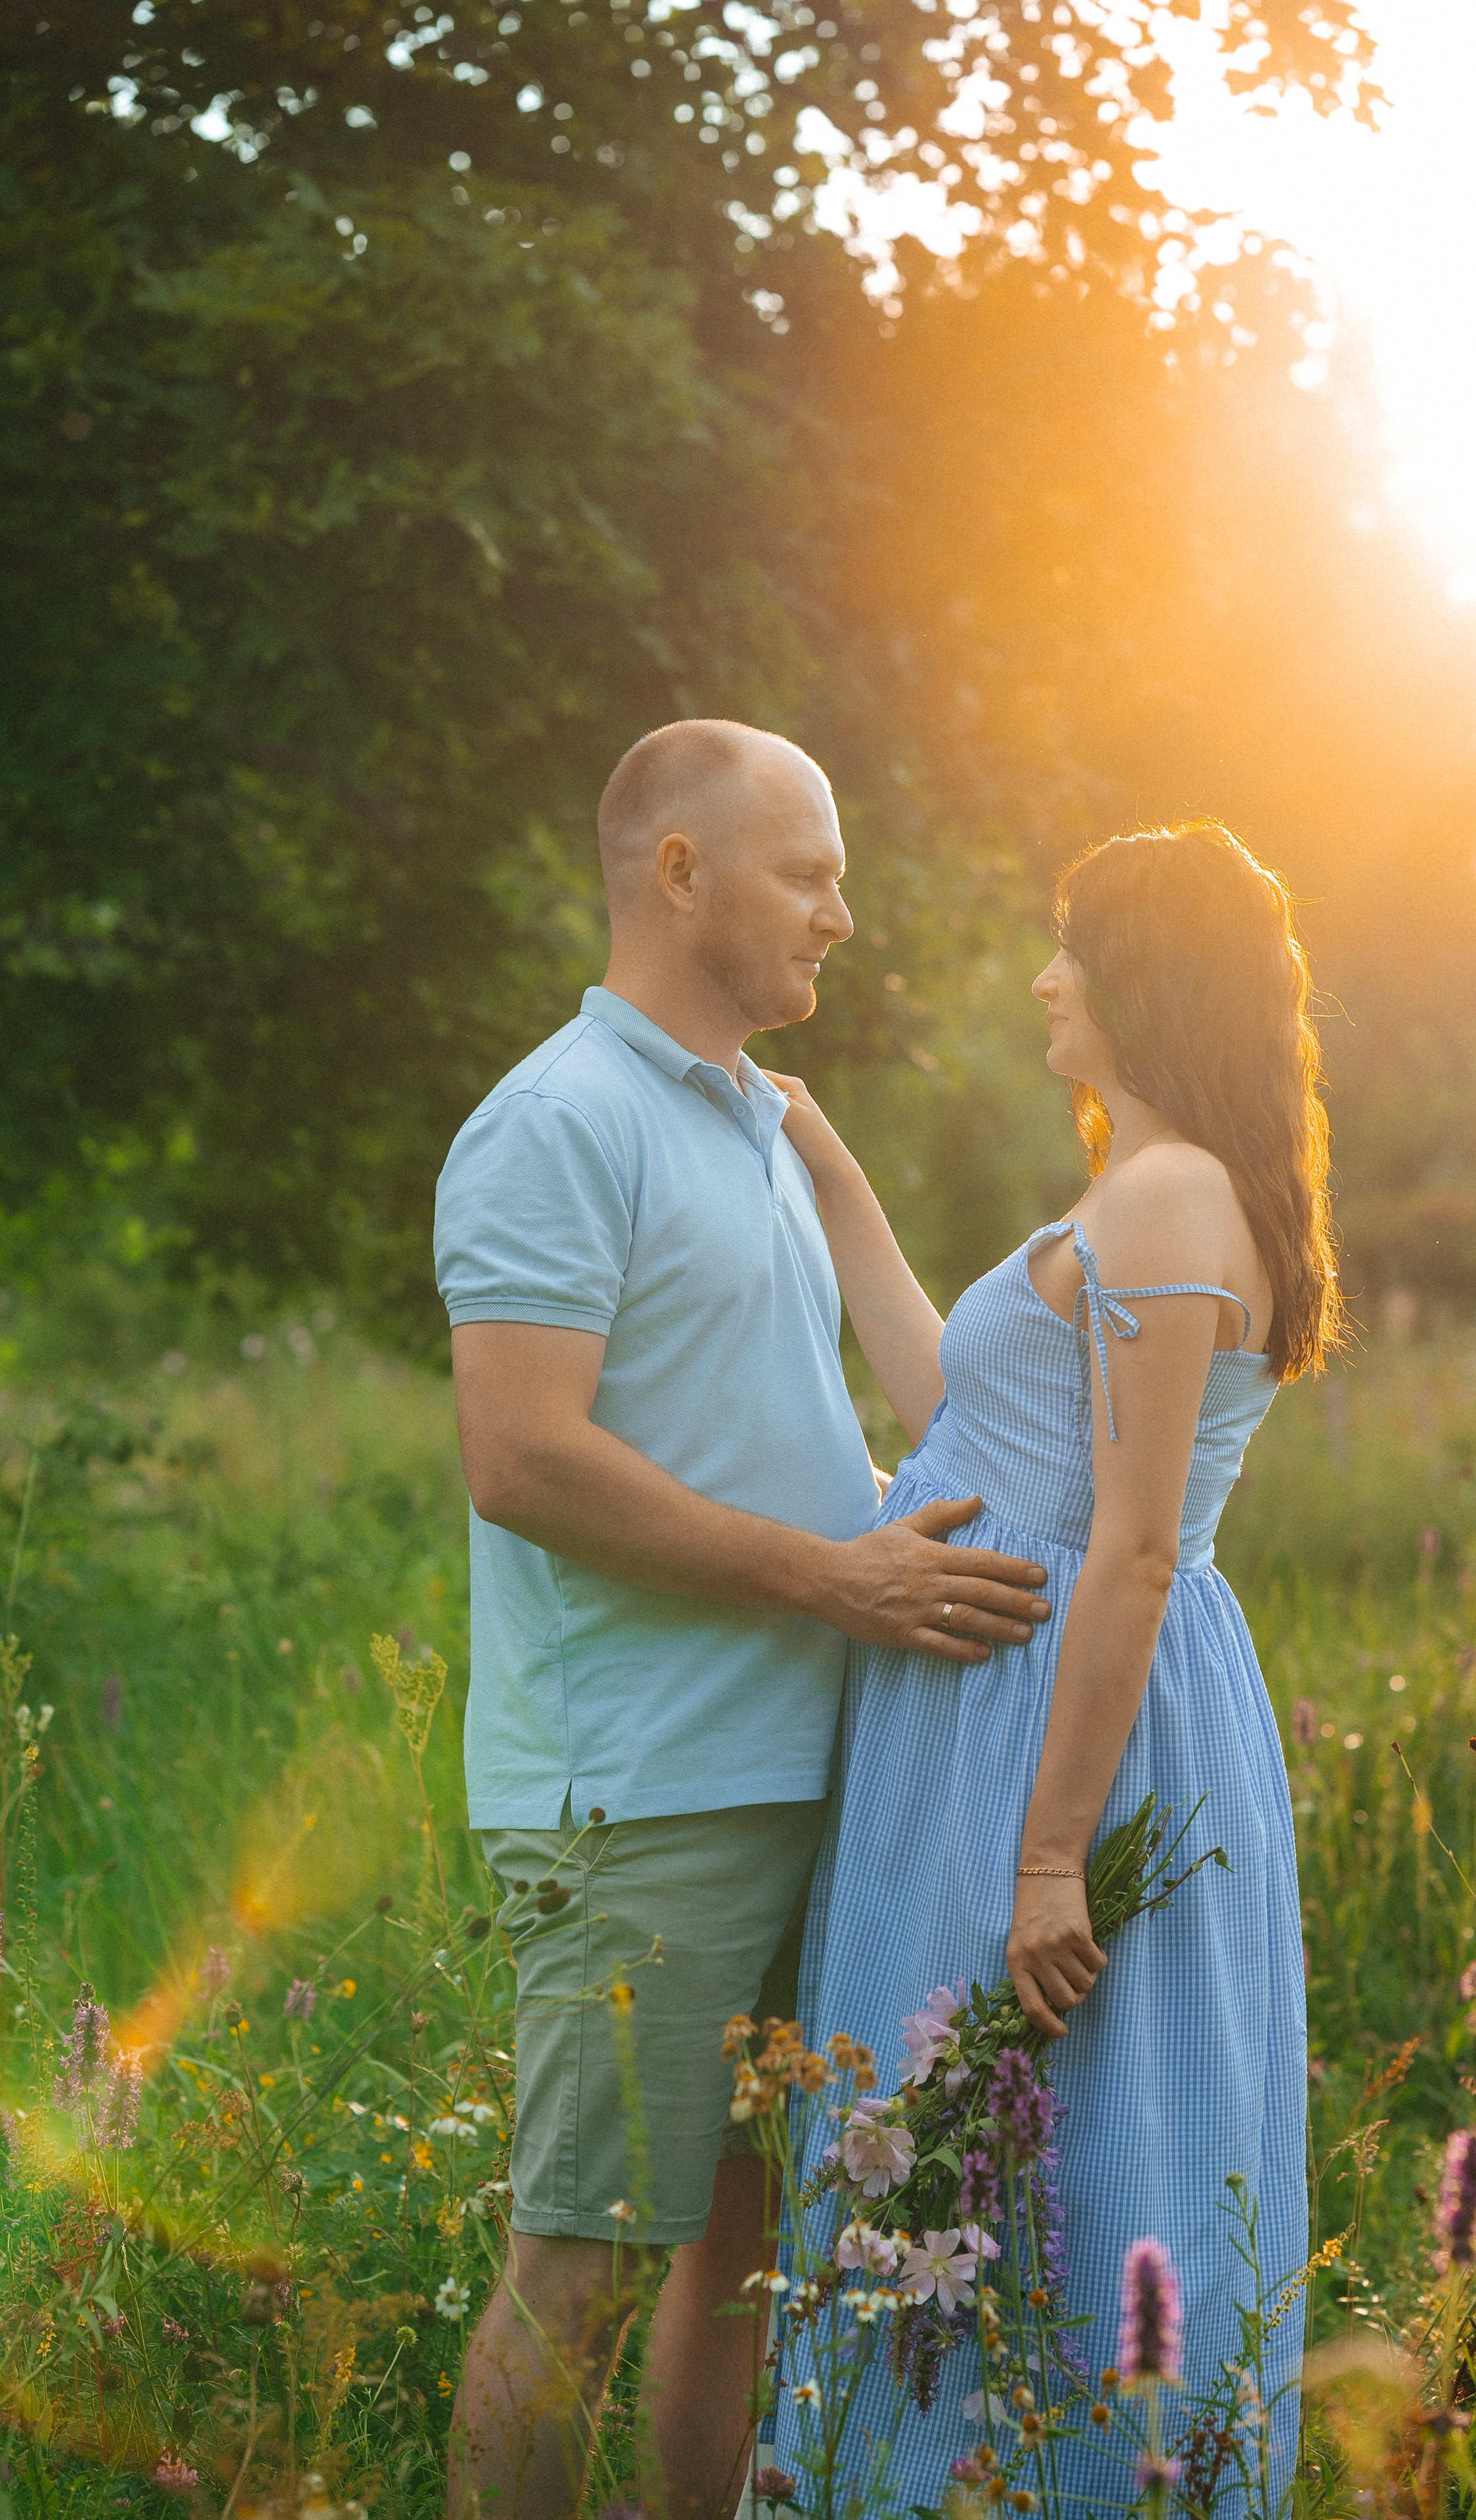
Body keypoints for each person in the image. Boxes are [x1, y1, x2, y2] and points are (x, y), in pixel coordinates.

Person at [432, 717, 1052, 2519]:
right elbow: (520, 1459)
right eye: (809, 872)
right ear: (678, 872)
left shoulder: (762, 1130)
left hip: (807, 1766)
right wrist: (839, 1578)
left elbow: (765, 1425)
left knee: (745, 2251)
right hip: (643, 1791)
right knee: (586, 2263)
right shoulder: (559, 1122)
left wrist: (884, 1533)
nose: (842, 916)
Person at [767, 821, 1339, 2498]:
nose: (1042, 976)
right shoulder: (1143, 1186)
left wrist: (1045, 1853)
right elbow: (949, 1413)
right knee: (978, 2154)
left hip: (1076, 1723)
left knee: (1075, 2158)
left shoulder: (1167, 1193)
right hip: (1011, 1694)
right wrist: (834, 1171)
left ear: (1142, 974)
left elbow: (1136, 1544)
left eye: (1070, 946)